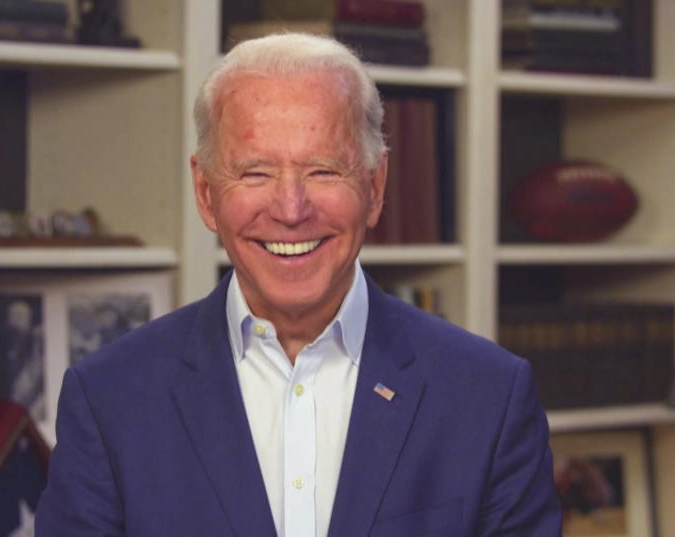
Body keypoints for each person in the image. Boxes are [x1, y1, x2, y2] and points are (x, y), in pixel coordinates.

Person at [35, 33, 561, 537]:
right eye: (256, 173)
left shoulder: (490, 398)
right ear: (205, 192)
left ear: (375, 188)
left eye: (323, 171)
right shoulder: (108, 400)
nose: (291, 210)